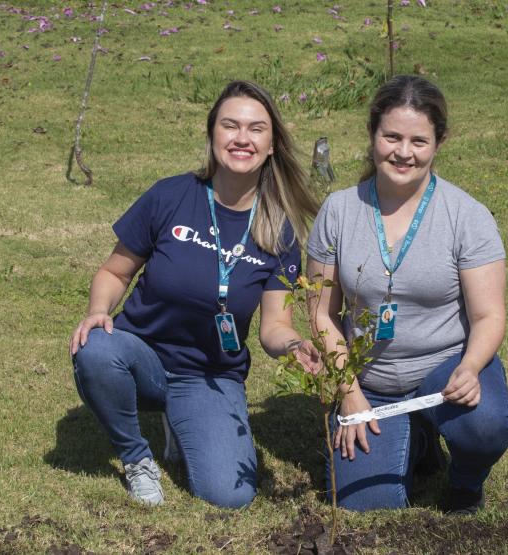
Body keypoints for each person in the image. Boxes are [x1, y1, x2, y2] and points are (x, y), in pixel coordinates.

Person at [69, 80, 320, 508]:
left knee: (230, 495)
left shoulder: (279, 230)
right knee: (95, 348)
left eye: (256, 129)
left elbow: (275, 324)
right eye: (230, 126)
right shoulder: (171, 196)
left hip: (209, 373)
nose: (242, 138)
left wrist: (294, 345)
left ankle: (183, 420)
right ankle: (137, 457)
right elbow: (114, 271)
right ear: (212, 135)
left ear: (273, 144)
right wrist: (98, 310)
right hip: (140, 355)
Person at [306, 75, 508, 513]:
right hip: (370, 382)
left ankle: (465, 481)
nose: (403, 152)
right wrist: (349, 392)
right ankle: (417, 436)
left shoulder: (466, 216)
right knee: (368, 504)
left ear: (439, 142)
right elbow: (322, 314)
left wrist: (471, 367)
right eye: (392, 137)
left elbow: (489, 316)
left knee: (485, 424)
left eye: (419, 140)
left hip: (443, 370)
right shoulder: (338, 211)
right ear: (372, 135)